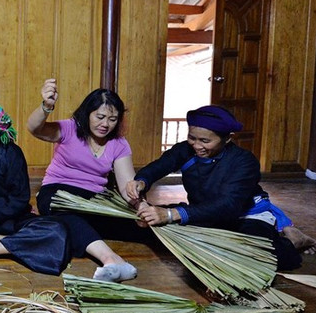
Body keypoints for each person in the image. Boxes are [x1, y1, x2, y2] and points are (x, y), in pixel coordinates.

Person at [0, 95, 138, 279]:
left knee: (57, 231)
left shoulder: (10, 154)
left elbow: (19, 199)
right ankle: (8, 242)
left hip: (4, 219)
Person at [126, 105, 306, 271]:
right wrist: (141, 181)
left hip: (245, 216)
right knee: (137, 225)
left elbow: (228, 205)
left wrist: (171, 214)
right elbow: (160, 166)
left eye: (205, 141)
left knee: (256, 256)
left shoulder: (244, 161)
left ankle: (293, 239)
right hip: (205, 213)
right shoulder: (185, 150)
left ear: (227, 139)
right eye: (192, 138)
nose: (197, 146)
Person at [27, 79, 141, 281]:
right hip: (57, 193)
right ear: (88, 113)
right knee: (66, 216)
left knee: (134, 225)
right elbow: (35, 128)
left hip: (94, 200)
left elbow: (126, 186)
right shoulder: (70, 129)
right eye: (100, 116)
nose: (105, 124)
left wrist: (142, 207)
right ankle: (111, 259)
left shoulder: (119, 144)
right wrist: (46, 106)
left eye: (113, 119)